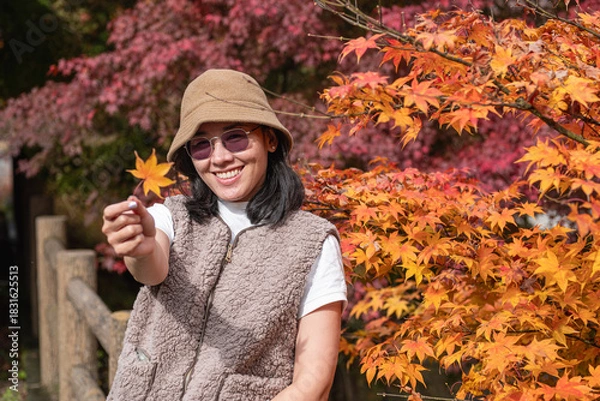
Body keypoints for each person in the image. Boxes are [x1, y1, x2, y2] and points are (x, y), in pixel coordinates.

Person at [102, 69, 347, 401]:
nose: (219, 157)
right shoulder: (172, 216)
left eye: (236, 137)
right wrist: (140, 248)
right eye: (201, 145)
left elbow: (313, 382)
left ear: (270, 140)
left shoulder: (313, 243)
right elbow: (150, 267)